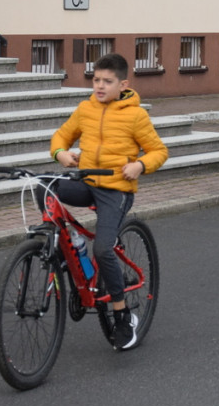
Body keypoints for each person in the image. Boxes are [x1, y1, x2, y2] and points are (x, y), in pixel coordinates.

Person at [42, 53, 169, 350]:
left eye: (107, 81)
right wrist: (61, 154)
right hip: (87, 183)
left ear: (122, 84)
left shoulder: (135, 115)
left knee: (103, 247)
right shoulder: (85, 109)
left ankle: (123, 314)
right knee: (43, 186)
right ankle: (67, 242)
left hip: (116, 190)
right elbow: (61, 136)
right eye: (96, 80)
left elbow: (159, 151)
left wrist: (140, 165)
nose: (99, 86)